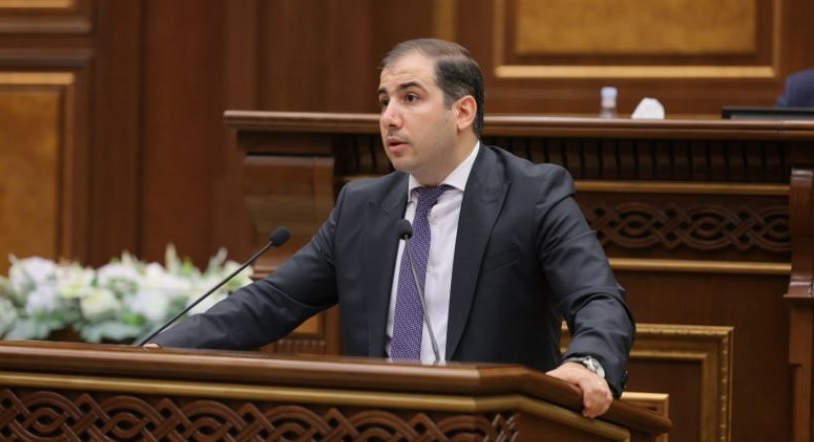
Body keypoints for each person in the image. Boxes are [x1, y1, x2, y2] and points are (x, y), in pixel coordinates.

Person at [150, 38, 634, 418]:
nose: (389, 118)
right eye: (384, 102)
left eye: (410, 98)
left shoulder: (532, 195)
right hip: (378, 423)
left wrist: (588, 363)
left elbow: (598, 299)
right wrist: (163, 349)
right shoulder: (362, 207)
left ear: (463, 111)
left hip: (495, 424)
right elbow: (275, 301)